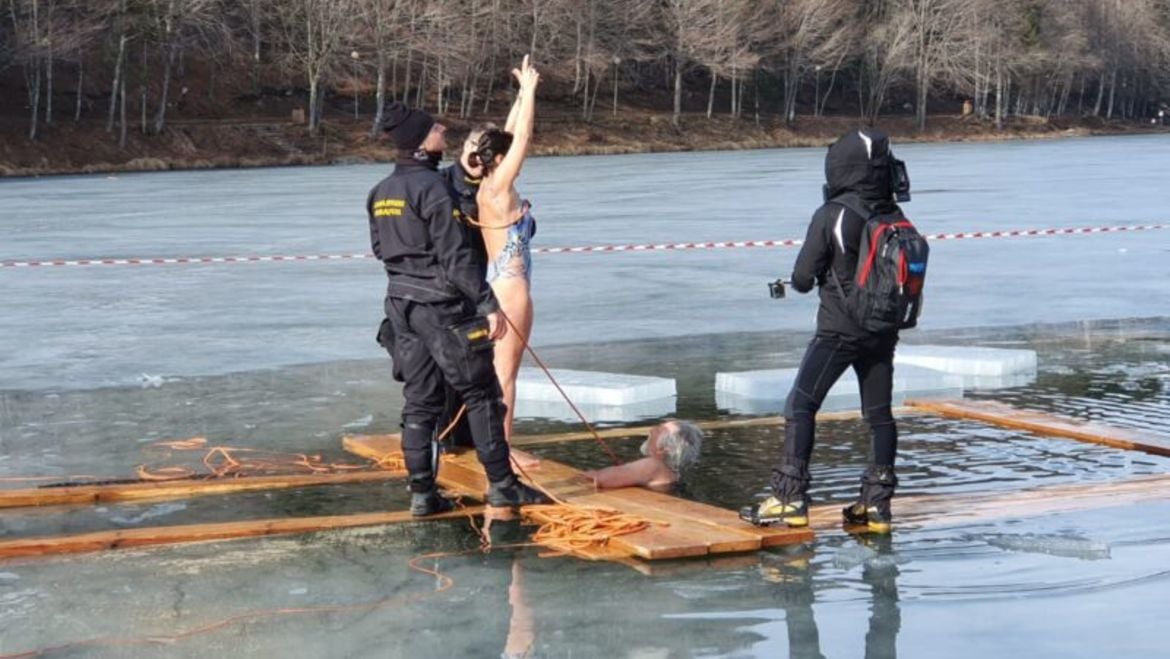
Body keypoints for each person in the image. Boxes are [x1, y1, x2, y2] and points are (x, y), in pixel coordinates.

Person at [367, 101, 548, 516]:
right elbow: (454, 257)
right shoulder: (432, 189)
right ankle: (503, 485)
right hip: (442, 306)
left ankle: (422, 493)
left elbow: (380, 249)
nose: (442, 132)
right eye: (435, 129)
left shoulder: (380, 192)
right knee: (483, 394)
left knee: (420, 401)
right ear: (418, 140)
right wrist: (488, 304)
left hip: (401, 304)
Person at [741, 127, 912, 534]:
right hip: (882, 330)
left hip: (839, 330)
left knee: (800, 406)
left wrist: (809, 280)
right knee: (879, 415)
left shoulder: (833, 214)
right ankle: (875, 507)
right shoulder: (893, 213)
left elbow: (802, 277)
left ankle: (789, 498)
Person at [470, 55, 540, 468]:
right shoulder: (498, 189)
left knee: (500, 372)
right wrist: (530, 93)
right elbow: (523, 138)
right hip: (511, 289)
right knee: (505, 375)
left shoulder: (486, 186)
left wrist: (519, 93)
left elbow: (511, 135)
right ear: (501, 159)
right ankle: (503, 452)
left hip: (498, 282)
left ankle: (495, 446)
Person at [582, 420, 703, 489]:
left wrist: (590, 474)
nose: (651, 430)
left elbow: (602, 480)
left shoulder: (653, 465)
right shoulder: (672, 472)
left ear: (665, 449)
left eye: (659, 430)